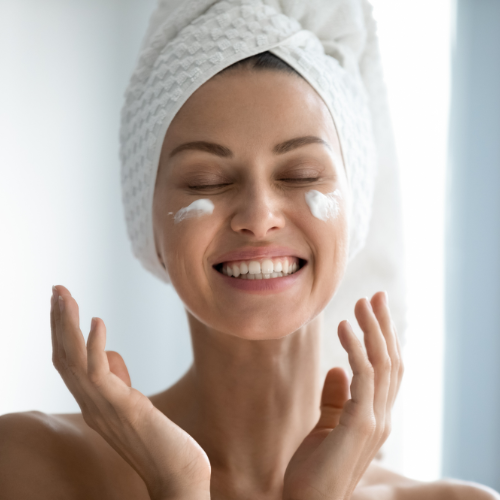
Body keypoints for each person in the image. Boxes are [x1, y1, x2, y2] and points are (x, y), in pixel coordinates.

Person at [1, 2, 499, 499]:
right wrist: (178, 485)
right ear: (146, 222)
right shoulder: (27, 467)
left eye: (300, 175)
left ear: (357, 210)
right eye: (207, 181)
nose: (259, 217)